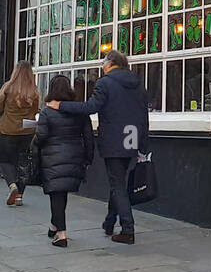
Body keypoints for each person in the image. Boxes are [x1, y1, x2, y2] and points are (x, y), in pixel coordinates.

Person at [57, 50, 149, 244]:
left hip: (114, 140)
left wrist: (62, 106)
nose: (102, 65)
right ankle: (109, 222)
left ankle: (127, 228)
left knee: (117, 184)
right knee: (119, 182)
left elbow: (90, 107)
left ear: (110, 63)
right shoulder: (137, 83)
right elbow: (143, 115)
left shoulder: (104, 82)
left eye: (103, 62)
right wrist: (143, 144)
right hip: (132, 139)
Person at [35, 75, 94, 247]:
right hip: (74, 155)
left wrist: (34, 144)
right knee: (61, 193)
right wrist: (88, 158)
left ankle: (61, 235)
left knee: (56, 194)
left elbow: (42, 136)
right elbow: (89, 137)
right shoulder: (79, 112)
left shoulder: (47, 111)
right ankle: (54, 225)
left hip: (53, 156)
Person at [0, 60, 40, 207]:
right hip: (27, 131)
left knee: (6, 161)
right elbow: (36, 110)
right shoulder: (34, 90)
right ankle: (19, 195)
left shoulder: (7, 88)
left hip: (8, 129)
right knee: (23, 162)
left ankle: (12, 185)